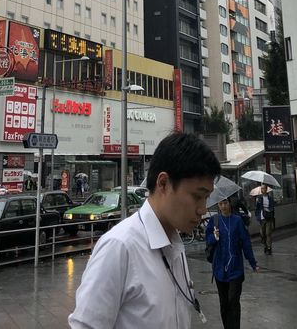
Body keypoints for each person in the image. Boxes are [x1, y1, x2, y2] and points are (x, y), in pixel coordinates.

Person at [68, 132, 221, 328]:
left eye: (206, 198)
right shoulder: (119, 247)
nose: (203, 209)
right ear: (163, 183)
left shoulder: (175, 245)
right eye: (197, 196)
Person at [206, 198, 258, 329]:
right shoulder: (214, 221)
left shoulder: (237, 221)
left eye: (225, 203)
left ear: (230, 204)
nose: (223, 206)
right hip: (219, 270)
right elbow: (208, 240)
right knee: (224, 304)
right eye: (220, 203)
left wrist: (252, 262)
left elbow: (246, 243)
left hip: (235, 269)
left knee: (233, 301)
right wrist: (214, 237)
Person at [254, 184, 275, 254]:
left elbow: (272, 207)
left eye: (264, 188)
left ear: (266, 189)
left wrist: (269, 210)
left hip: (268, 217)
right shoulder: (259, 198)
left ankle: (269, 247)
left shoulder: (270, 198)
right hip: (262, 218)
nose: (263, 190)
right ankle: (265, 246)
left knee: (268, 233)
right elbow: (257, 208)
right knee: (262, 233)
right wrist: (257, 216)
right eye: (262, 189)